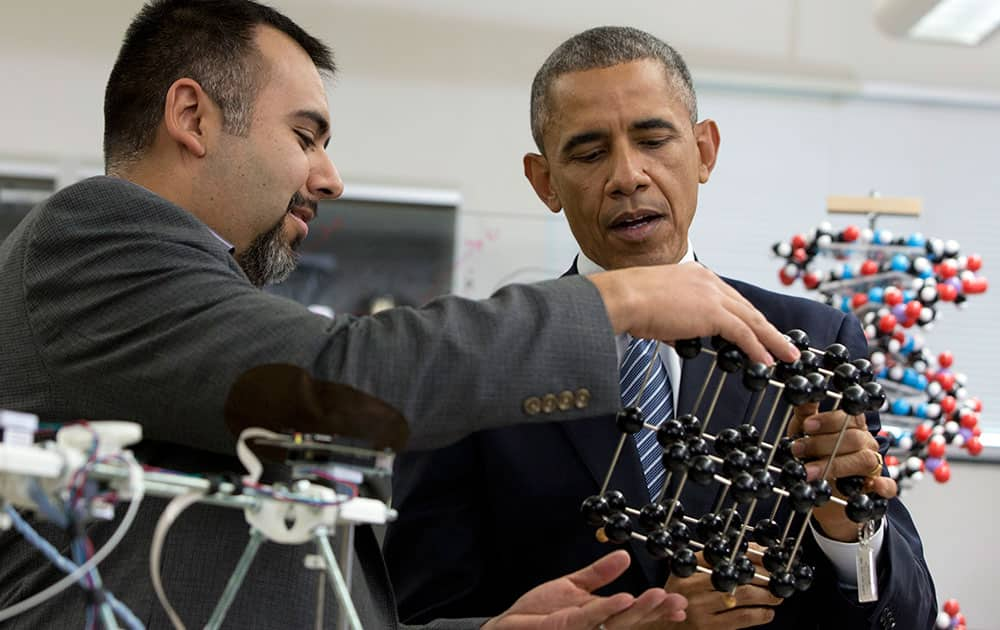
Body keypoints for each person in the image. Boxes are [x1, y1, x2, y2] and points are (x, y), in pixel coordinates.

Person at [0, 3, 802, 629]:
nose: (331, 176)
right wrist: (618, 301)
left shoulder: (201, 293)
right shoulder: (94, 240)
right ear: (193, 116)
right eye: (306, 135)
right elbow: (341, 375)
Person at [385, 26, 936, 630]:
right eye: (590, 153)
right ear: (545, 181)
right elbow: (416, 614)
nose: (628, 176)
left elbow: (906, 616)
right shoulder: (478, 362)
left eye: (653, 140)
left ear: (704, 151)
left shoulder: (806, 344)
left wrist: (847, 533)